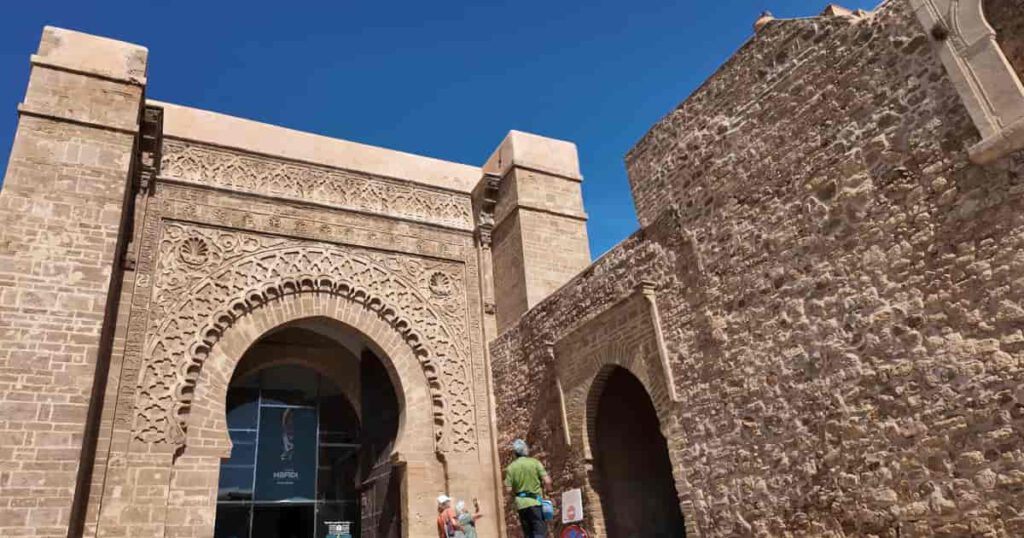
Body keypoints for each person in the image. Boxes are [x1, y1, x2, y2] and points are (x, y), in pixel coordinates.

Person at [504, 439, 552, 538]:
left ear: (515, 453)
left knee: (528, 534)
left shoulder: (511, 468)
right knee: (539, 532)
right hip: (535, 503)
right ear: (526, 450)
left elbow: (508, 490)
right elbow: (547, 481)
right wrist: (548, 490)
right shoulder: (535, 463)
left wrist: (514, 497)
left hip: (521, 505)